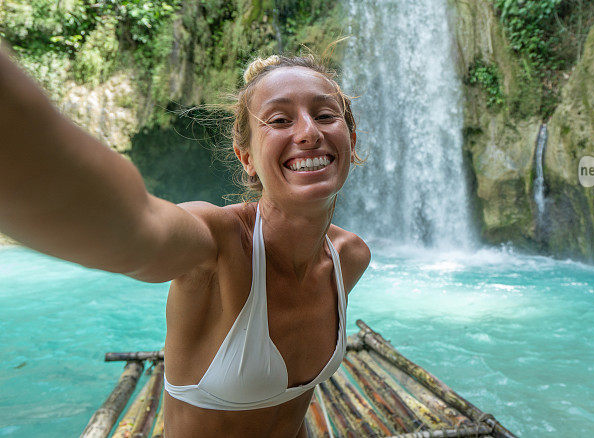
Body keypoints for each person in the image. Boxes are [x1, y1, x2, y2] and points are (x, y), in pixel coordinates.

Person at [0, 44, 371, 438]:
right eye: (279, 119)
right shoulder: (216, 246)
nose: (309, 132)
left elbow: (289, 410)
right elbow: (136, 224)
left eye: (325, 115)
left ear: (349, 138)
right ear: (246, 158)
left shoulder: (349, 257)